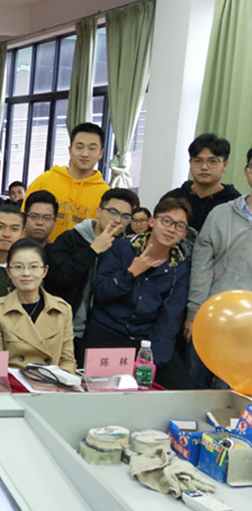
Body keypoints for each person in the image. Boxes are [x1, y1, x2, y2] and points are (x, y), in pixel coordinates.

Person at [86, 197, 191, 387]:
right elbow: (101, 291)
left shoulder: (180, 268)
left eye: (179, 226)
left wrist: (150, 362)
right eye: (166, 221)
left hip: (145, 341)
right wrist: (130, 273)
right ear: (152, 222)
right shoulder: (122, 248)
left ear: (184, 234)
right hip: (107, 333)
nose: (171, 229)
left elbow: (169, 320)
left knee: (183, 388)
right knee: (104, 390)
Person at [44, 188, 139, 365]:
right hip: (65, 329)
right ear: (99, 211)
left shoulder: (128, 249)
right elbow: (57, 280)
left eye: (126, 216)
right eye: (113, 212)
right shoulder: (71, 238)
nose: (118, 220)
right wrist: (93, 250)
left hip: (104, 333)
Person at [185, 147, 252, 389]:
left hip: (248, 329)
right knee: (194, 390)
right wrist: (194, 314)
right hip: (211, 317)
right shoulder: (221, 214)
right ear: (247, 171)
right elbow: (201, 267)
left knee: (231, 395)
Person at [0, 239, 77, 373]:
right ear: (8, 271)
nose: (26, 273)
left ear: (45, 271)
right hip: (14, 382)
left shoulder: (62, 309)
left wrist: (60, 379)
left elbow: (67, 360)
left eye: (33, 267)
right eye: (18, 267)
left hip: (52, 382)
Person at [24, 122, 110, 242]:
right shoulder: (45, 180)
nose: (85, 154)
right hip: (39, 251)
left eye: (92, 148)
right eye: (79, 147)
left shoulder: (105, 194)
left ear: (100, 153)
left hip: (84, 253)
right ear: (70, 150)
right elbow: (23, 220)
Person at [162, 133, 240, 234]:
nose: (204, 167)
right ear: (190, 163)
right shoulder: (173, 198)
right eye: (198, 161)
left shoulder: (235, 205)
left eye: (212, 161)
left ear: (225, 165)